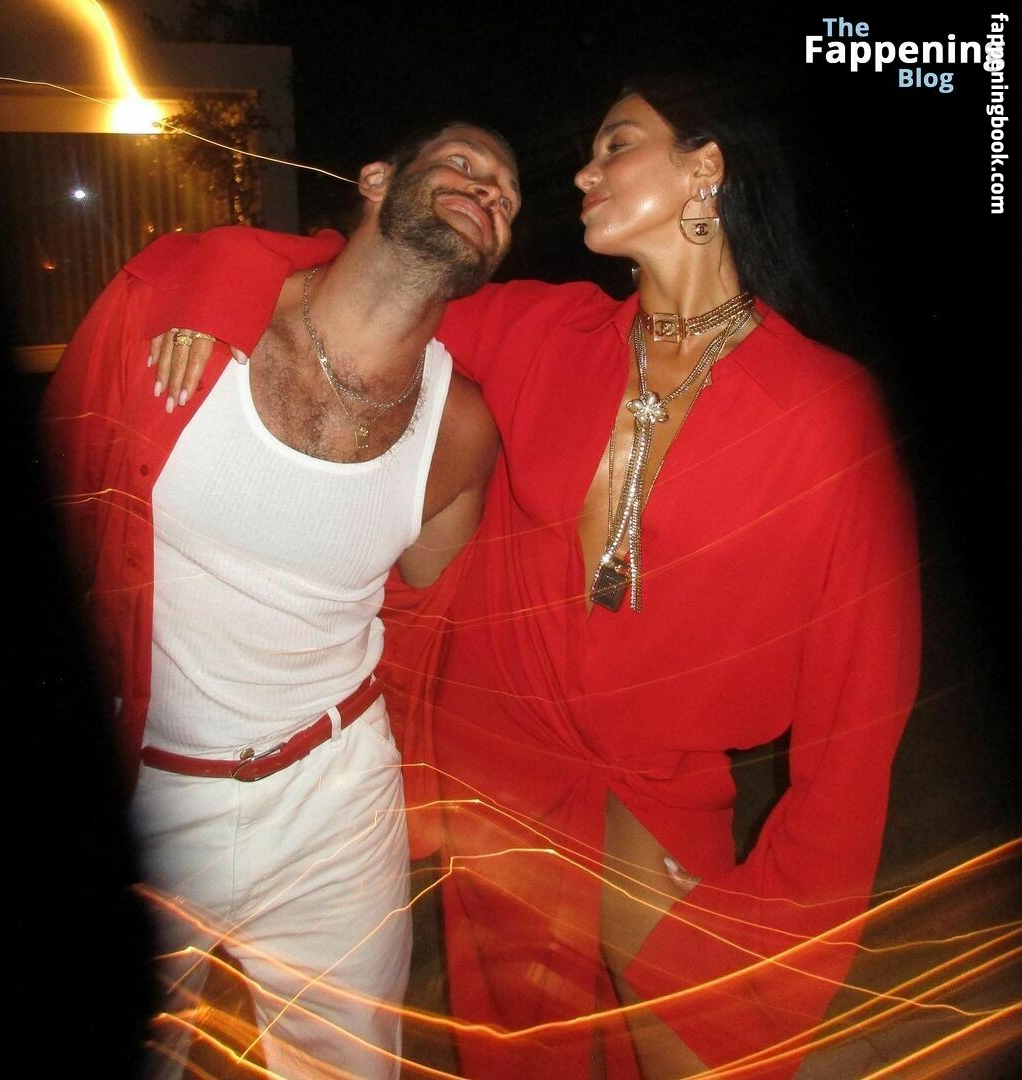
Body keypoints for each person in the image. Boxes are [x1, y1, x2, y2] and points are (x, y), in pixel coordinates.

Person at [146, 74, 920, 1079]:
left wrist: (786, 911)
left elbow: (860, 707)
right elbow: (352, 277)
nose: (585, 173)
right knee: (518, 1054)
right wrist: (212, 290)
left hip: (655, 786)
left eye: (617, 145)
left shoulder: (824, 410)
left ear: (706, 169)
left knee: (705, 1043)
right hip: (503, 778)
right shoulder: (543, 332)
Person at [40, 121, 520, 1078]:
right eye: (464, 164)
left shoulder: (461, 428)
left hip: (335, 799)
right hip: (151, 791)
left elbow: (428, 591)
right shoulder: (181, 320)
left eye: (508, 195)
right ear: (376, 178)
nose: (490, 191)